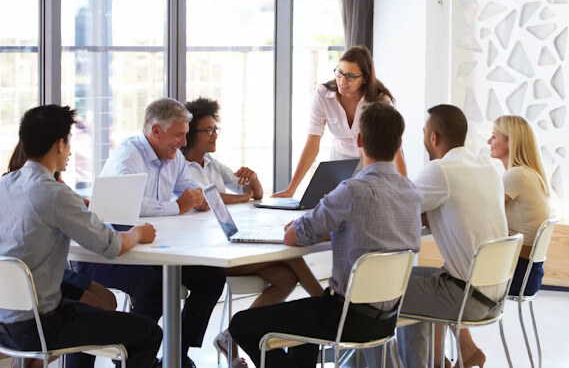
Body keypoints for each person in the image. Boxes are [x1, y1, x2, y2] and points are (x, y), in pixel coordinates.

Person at [228, 102, 422, 368]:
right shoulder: (412, 193)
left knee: (241, 324)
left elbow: (293, 237)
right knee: (305, 330)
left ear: (360, 139)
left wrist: (301, 229)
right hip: (387, 318)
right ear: (400, 143)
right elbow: (371, 234)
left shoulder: (352, 191)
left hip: (344, 317)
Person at [0, 105, 162, 368]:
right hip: (41, 325)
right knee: (149, 333)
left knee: (96, 308)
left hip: (5, 324)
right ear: (59, 144)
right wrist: (138, 233)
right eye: (69, 142)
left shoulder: (4, 186)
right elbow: (112, 246)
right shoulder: (54, 193)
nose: (71, 151)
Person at [74, 98, 227, 368]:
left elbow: (191, 187)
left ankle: (176, 356)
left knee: (212, 277)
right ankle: (134, 361)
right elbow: (133, 207)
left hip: (149, 250)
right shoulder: (128, 156)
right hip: (109, 252)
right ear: (156, 131)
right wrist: (177, 206)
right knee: (153, 288)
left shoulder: (174, 156)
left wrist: (199, 197)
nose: (183, 142)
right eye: (178, 135)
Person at [181, 97, 325, 367]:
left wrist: (254, 181)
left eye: (215, 129)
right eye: (207, 130)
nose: (214, 135)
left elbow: (255, 193)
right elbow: (210, 198)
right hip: (206, 254)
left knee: (285, 278)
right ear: (191, 135)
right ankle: (325, 304)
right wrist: (244, 196)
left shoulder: (211, 163)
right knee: (289, 253)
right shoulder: (180, 167)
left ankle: (230, 336)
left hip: (225, 241)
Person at [392, 105, 508, 368]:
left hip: (466, 297)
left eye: (423, 132)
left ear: (433, 137)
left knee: (383, 289)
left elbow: (395, 209)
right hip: (494, 294)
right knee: (414, 277)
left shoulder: (441, 171)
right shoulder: (489, 167)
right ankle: (452, 356)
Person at [272, 46, 407, 198]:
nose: (342, 80)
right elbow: (312, 142)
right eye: (340, 72)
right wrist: (291, 189)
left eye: (350, 76)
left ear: (365, 78)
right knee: (331, 206)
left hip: (371, 163)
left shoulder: (379, 100)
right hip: (340, 163)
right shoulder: (323, 94)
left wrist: (404, 189)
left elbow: (394, 147)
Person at [5, 141, 117, 313]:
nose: (69, 153)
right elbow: (105, 241)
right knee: (101, 304)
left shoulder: (22, 185)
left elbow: (77, 205)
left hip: (35, 274)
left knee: (108, 300)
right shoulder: (42, 191)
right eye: (66, 144)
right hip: (33, 278)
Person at [488, 115, 551, 297]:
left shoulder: (517, 175)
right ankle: (461, 325)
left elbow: (483, 211)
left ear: (510, 142)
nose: (488, 141)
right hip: (528, 273)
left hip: (518, 274)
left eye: (494, 136)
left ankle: (460, 323)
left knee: (449, 278)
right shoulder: (530, 174)